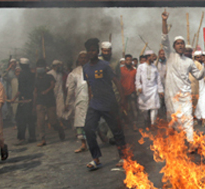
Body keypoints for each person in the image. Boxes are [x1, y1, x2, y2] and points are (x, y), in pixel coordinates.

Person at [161, 10, 205, 143]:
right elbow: (164, 39)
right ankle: (176, 144)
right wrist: (164, 21)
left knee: (188, 120)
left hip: (185, 95)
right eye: (178, 43)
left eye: (182, 43)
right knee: (173, 121)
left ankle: (191, 143)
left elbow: (198, 76)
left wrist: (204, 66)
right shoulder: (170, 56)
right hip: (172, 95)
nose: (180, 45)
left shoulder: (189, 62)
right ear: (174, 46)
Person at [82, 38, 127, 170]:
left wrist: (122, 99)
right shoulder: (85, 68)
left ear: (97, 52)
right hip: (95, 104)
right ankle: (96, 159)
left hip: (109, 103)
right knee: (88, 129)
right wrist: (90, 101)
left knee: (116, 130)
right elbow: (89, 86)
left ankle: (123, 157)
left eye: (93, 50)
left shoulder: (105, 66)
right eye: (89, 51)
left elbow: (116, 81)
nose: (91, 53)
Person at [34, 66, 65, 147]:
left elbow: (52, 85)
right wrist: (34, 103)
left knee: (52, 121)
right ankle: (43, 139)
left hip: (50, 101)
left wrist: (47, 91)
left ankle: (59, 129)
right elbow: (35, 91)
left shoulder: (49, 77)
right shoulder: (36, 79)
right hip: (40, 101)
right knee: (40, 121)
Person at [66, 51, 90, 153]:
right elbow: (70, 89)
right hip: (80, 100)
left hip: (93, 99)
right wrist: (67, 102)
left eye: (85, 57)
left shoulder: (93, 69)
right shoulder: (74, 73)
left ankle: (102, 137)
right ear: (78, 59)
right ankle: (83, 144)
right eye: (81, 58)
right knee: (80, 123)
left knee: (94, 122)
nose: (83, 59)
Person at [136, 51, 164, 128]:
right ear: (148, 57)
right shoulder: (141, 67)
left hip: (153, 89)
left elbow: (158, 80)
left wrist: (161, 90)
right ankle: (146, 119)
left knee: (154, 107)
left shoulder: (154, 67)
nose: (154, 58)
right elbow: (137, 79)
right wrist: (139, 87)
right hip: (144, 90)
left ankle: (153, 123)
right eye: (153, 56)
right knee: (143, 107)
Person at [12, 58, 36, 143]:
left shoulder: (22, 75)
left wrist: (14, 98)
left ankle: (21, 137)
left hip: (24, 100)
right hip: (31, 99)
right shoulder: (32, 74)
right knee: (30, 119)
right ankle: (32, 136)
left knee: (21, 119)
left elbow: (20, 90)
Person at [192, 51, 205, 126]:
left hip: (204, 87)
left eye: (200, 57)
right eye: (197, 57)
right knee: (196, 103)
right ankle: (196, 118)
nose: (199, 59)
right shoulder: (193, 65)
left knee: (204, 102)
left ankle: (204, 120)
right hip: (196, 86)